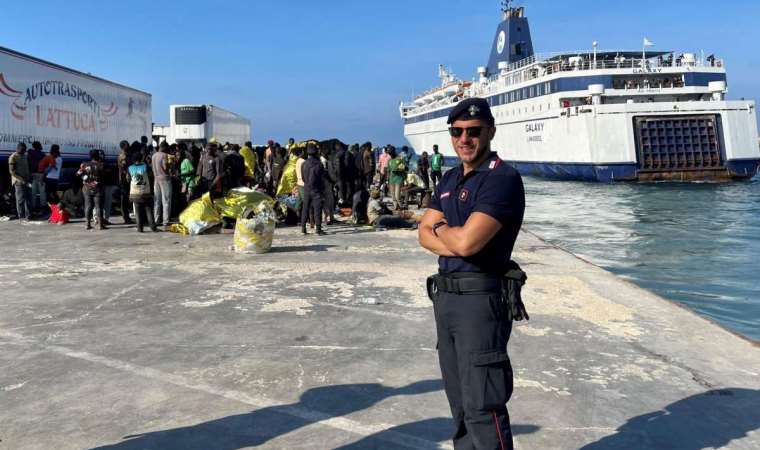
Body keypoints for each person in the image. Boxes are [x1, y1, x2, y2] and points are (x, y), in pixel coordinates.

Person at [418, 98, 525, 449]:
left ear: (490, 131)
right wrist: (453, 235)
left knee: (483, 405)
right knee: (460, 406)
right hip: (446, 298)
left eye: (473, 131)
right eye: (457, 132)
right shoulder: (449, 177)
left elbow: (467, 244)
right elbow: (423, 233)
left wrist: (445, 230)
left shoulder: (501, 179)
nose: (464, 139)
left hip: (481, 301)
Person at [127, 151, 158, 232]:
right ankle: (153, 227)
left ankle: (140, 228)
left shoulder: (130, 168)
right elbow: (151, 177)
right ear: (141, 158)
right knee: (148, 210)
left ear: (133, 159)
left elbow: (128, 179)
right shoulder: (146, 167)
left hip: (135, 193)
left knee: (137, 212)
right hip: (146, 192)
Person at [300, 143, 326, 235]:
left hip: (307, 188)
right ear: (315, 153)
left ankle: (303, 228)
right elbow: (322, 178)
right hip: (317, 189)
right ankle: (318, 229)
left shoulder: (303, 164)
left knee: (305, 208)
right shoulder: (319, 164)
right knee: (317, 209)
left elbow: (303, 178)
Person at [77, 149, 107, 230]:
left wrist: (83, 175)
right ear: (98, 155)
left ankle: (87, 224)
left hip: (87, 188)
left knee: (88, 206)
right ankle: (101, 225)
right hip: (98, 188)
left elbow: (78, 174)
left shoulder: (85, 165)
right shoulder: (101, 165)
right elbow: (104, 176)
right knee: (98, 207)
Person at [8, 142, 31, 221]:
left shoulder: (24, 156)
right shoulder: (13, 157)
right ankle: (21, 216)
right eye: (23, 149)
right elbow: (12, 172)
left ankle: (28, 215)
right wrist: (21, 179)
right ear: (18, 149)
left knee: (28, 198)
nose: (24, 151)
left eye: (25, 150)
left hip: (26, 181)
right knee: (20, 199)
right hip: (18, 182)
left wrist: (28, 179)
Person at [151, 142, 172, 227]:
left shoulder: (154, 156)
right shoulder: (164, 155)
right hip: (165, 179)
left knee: (157, 200)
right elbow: (165, 167)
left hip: (156, 178)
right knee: (166, 200)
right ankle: (165, 220)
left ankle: (156, 219)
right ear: (165, 147)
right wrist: (170, 164)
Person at [116, 141, 134, 224]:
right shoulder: (123, 155)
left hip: (125, 179)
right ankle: (126, 217)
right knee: (124, 199)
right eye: (127, 145)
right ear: (124, 146)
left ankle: (126, 217)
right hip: (124, 180)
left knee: (126, 199)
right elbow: (124, 167)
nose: (129, 146)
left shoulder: (126, 154)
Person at [27, 141, 45, 212]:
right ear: (38, 146)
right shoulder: (42, 154)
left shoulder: (30, 154)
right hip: (40, 174)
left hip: (32, 174)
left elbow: (28, 163)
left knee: (33, 191)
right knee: (42, 191)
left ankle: (33, 205)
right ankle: (43, 205)